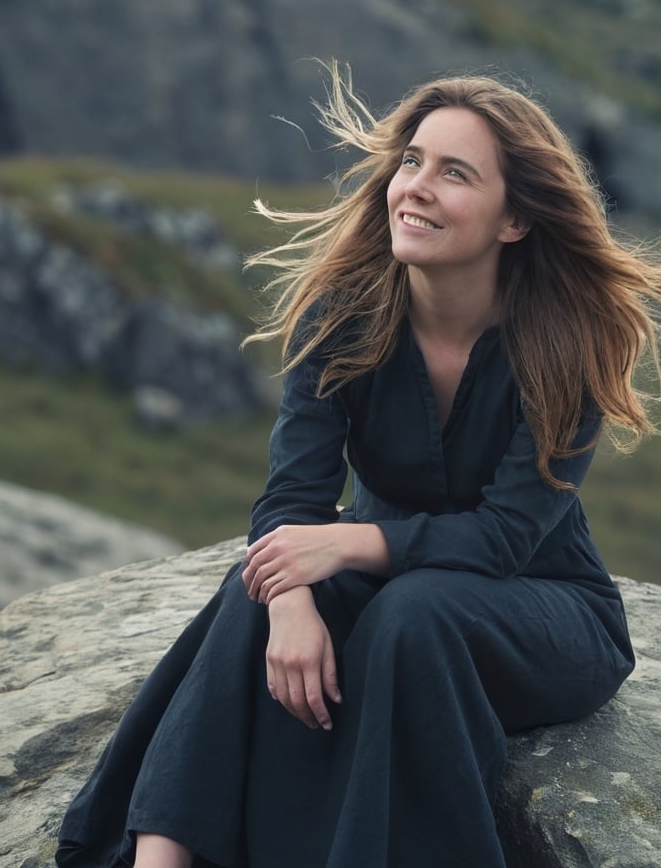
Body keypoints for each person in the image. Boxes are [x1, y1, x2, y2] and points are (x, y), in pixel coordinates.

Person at [56, 66, 661, 868]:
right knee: (265, 579)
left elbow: (506, 539)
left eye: (454, 173)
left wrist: (345, 545)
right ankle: (159, 858)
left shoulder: (568, 339)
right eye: (411, 161)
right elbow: (291, 498)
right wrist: (293, 602)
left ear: (514, 218)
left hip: (543, 610)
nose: (415, 187)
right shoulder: (341, 313)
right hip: (402, 594)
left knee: (412, 612)